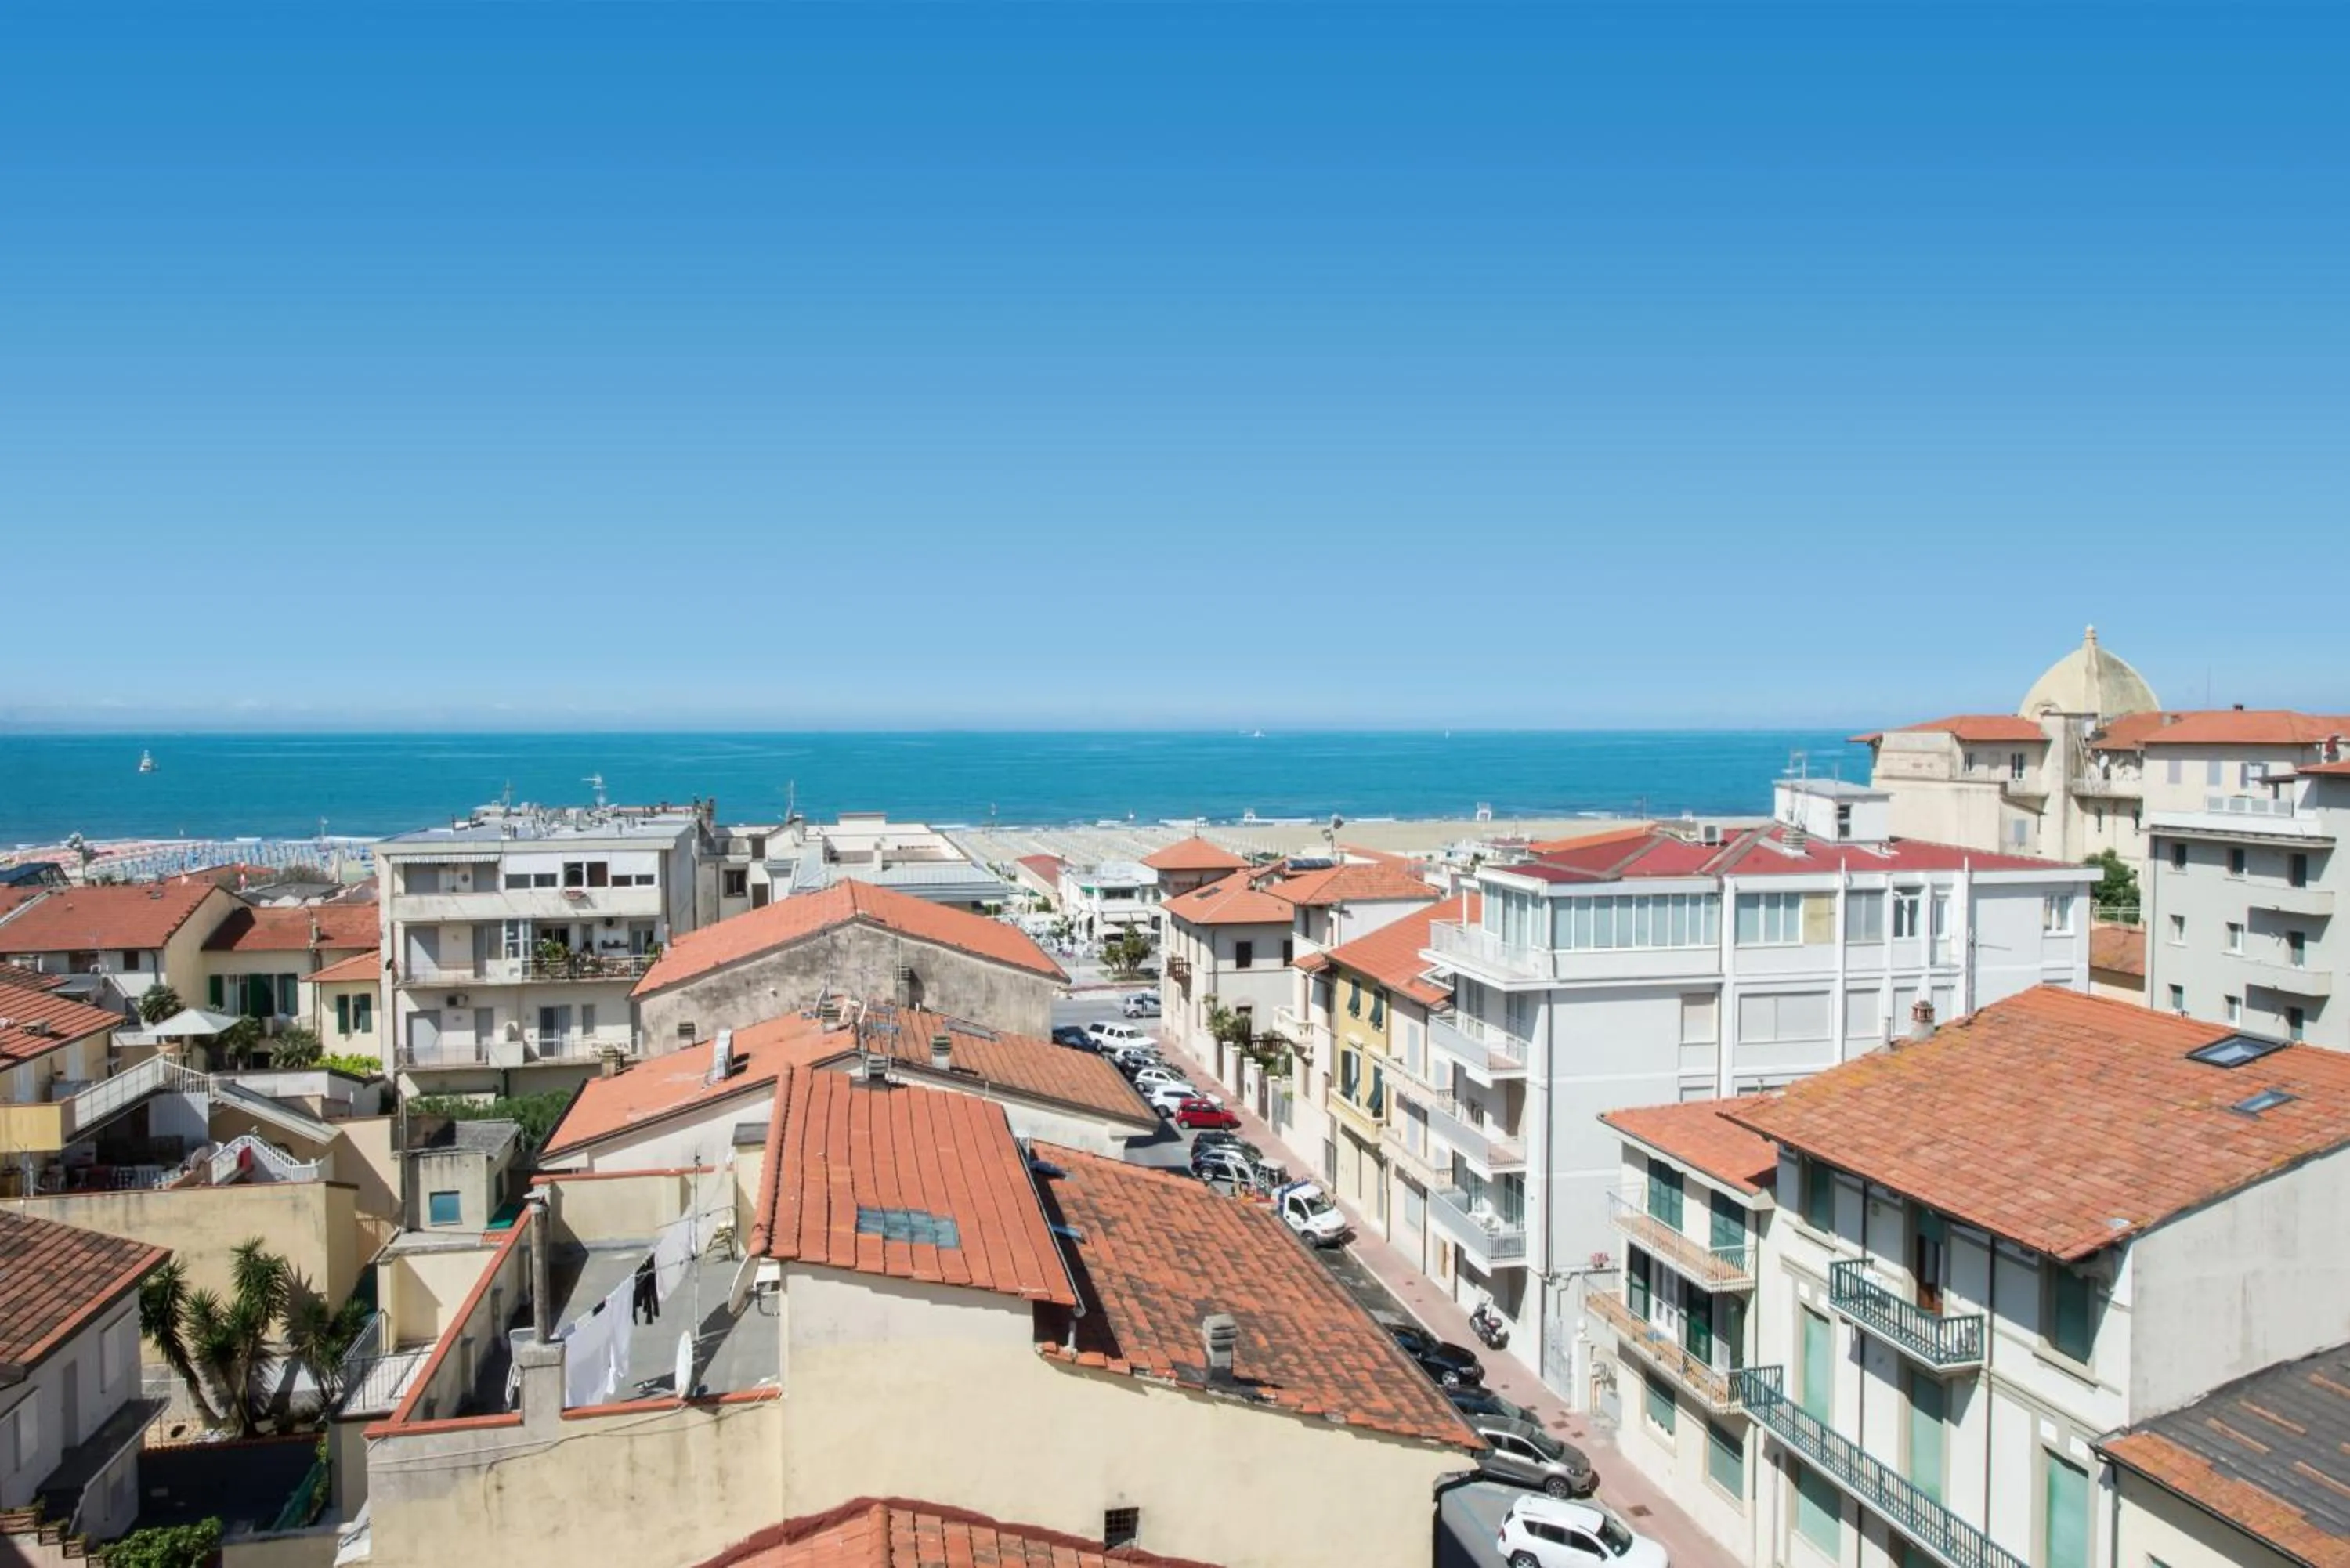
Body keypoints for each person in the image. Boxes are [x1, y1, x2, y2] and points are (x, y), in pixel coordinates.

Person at [631, 1255, 660, 1324]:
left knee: (647, 1296)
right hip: (648, 1275)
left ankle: (650, 1314)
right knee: (651, 1294)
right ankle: (654, 1312)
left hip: (642, 1278)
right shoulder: (652, 1258)